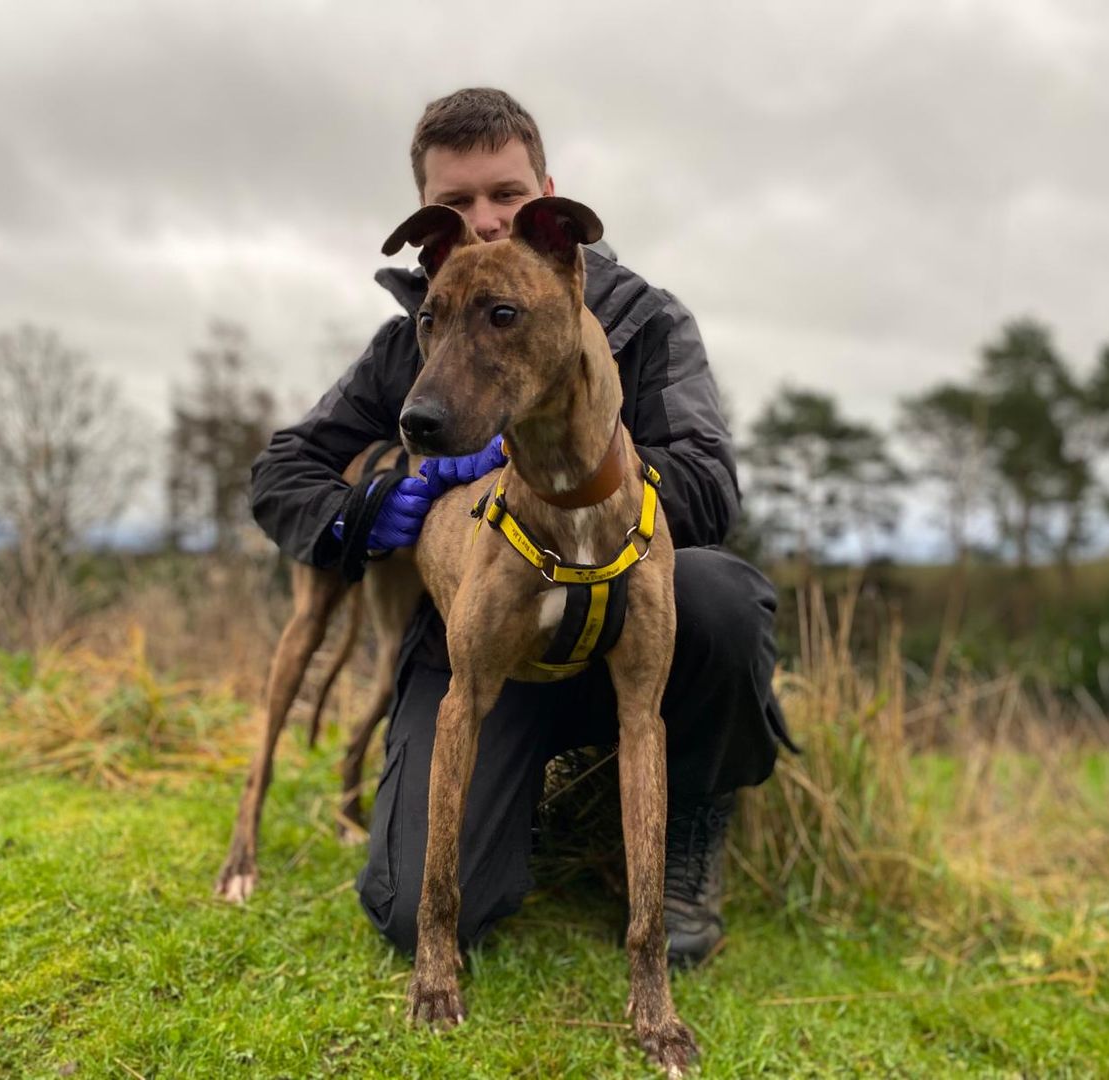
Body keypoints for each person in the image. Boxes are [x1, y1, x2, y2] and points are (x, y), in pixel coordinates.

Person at [250, 87, 792, 967]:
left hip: (619, 627)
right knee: (410, 908)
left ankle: (683, 833)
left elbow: (706, 485)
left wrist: (572, 472)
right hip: (478, 647)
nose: (486, 222)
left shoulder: (646, 322)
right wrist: (373, 506)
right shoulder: (412, 343)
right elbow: (283, 471)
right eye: (456, 205)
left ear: (546, 193)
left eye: (504, 195)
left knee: (721, 597)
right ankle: (521, 815)